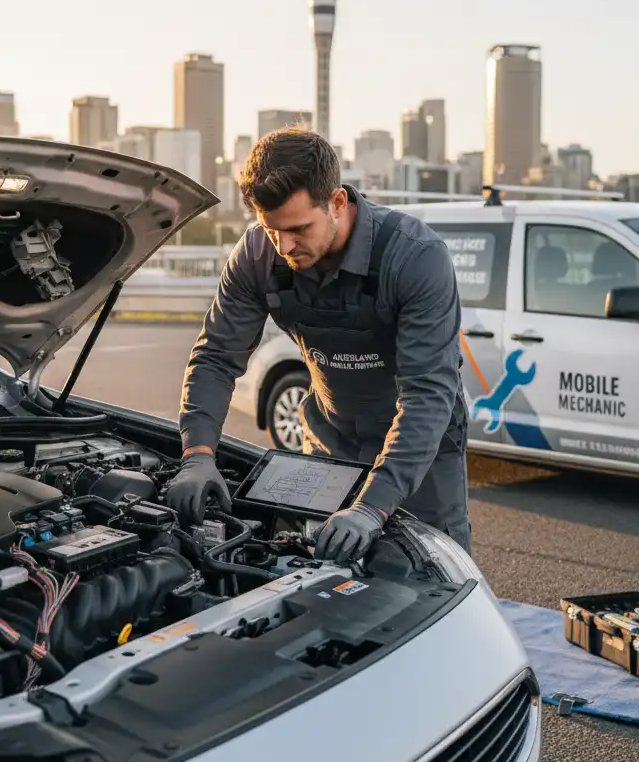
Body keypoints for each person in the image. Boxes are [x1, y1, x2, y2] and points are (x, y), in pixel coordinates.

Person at [166, 128, 470, 564]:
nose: (284, 246)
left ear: (338, 203)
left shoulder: (415, 256)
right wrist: (197, 454)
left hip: (420, 454)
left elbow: (428, 392)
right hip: (331, 441)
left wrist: (372, 505)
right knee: (318, 579)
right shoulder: (258, 254)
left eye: (298, 229)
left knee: (426, 579)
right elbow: (216, 357)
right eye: (272, 230)